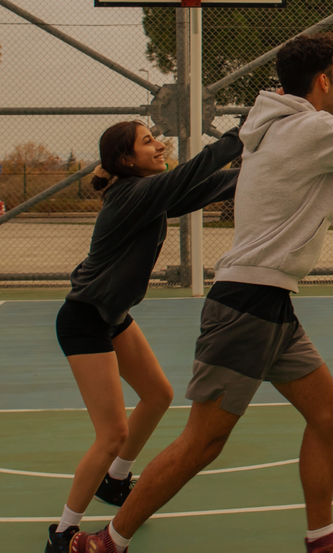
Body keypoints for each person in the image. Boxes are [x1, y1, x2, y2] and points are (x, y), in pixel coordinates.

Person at [71, 32, 333, 553]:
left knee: (328, 414)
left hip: (269, 304)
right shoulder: (303, 130)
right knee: (202, 442)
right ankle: (106, 544)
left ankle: (321, 543)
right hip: (247, 307)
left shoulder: (292, 125)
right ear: (323, 82)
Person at [46, 120, 242, 553]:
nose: (159, 146)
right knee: (112, 434)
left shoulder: (148, 195)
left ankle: (116, 481)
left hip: (112, 316)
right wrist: (239, 135)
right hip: (84, 320)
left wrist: (273, 167)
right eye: (148, 142)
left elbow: (209, 187)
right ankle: (62, 532)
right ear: (126, 160)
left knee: (157, 395)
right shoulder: (134, 194)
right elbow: (194, 173)